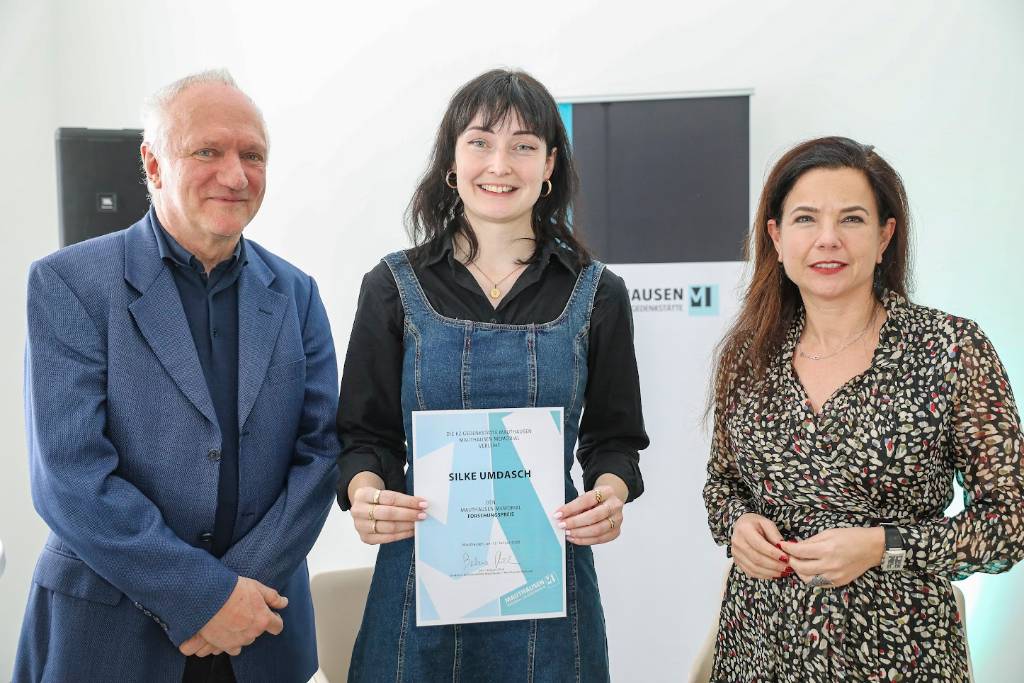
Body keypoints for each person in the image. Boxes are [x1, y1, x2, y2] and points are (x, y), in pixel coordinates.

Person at [14, 70, 340, 683]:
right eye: (207, 151)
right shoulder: (70, 284)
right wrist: (202, 597)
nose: (235, 174)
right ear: (154, 164)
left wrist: (238, 597)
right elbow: (69, 475)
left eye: (253, 155)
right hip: (108, 639)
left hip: (260, 633)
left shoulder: (296, 294)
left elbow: (321, 453)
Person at [335, 69, 648, 682]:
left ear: (550, 164)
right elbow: (363, 436)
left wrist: (610, 496)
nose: (499, 164)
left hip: (549, 583)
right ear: (451, 158)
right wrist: (364, 493)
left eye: (524, 145)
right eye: (480, 141)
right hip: (419, 578)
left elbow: (614, 439)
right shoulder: (392, 286)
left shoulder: (597, 293)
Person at [703, 136, 1024, 681]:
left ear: (884, 237)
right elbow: (722, 485)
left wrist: (884, 547)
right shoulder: (748, 354)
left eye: (851, 219)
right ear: (776, 238)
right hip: (759, 650)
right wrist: (737, 526)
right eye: (805, 219)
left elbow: (1009, 523)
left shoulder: (949, 348)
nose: (828, 239)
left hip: (902, 654)